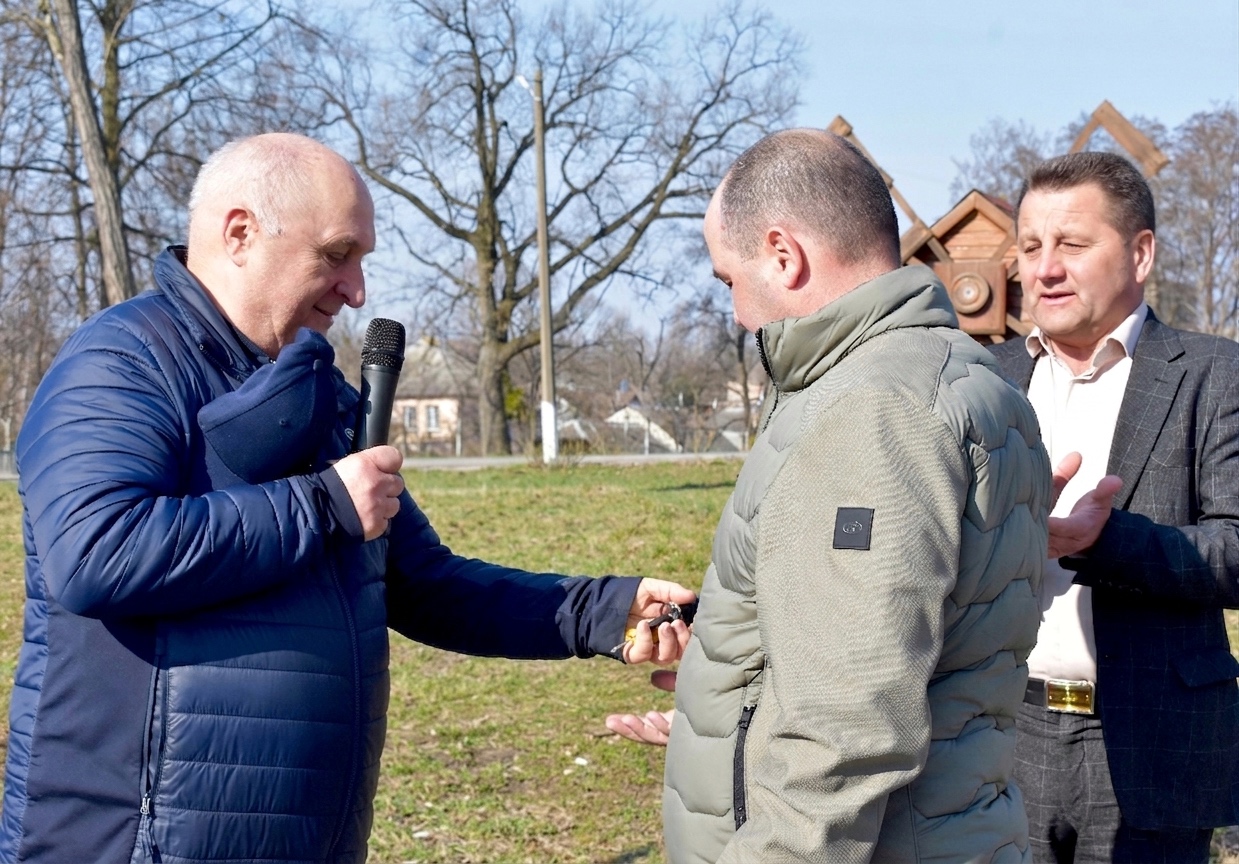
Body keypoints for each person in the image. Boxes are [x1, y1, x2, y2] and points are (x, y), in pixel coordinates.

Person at [0, 133, 694, 864]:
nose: (356, 291)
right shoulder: (122, 361)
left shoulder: (322, 393)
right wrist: (321, 505)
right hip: (129, 843)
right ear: (240, 234)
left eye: (361, 261)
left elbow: (423, 585)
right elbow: (96, 554)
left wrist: (602, 610)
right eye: (335, 256)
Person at [647, 128, 1050, 864]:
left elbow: (843, 735)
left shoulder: (871, 410)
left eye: (727, 281)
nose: (736, 315)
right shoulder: (967, 379)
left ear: (781, 254)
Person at [992, 150, 1239, 863]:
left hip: (1150, 741)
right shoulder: (984, 379)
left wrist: (1103, 543)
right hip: (1004, 734)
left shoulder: (1214, 376)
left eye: (1070, 244)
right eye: (1031, 247)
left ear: (1139, 254)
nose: (1044, 269)